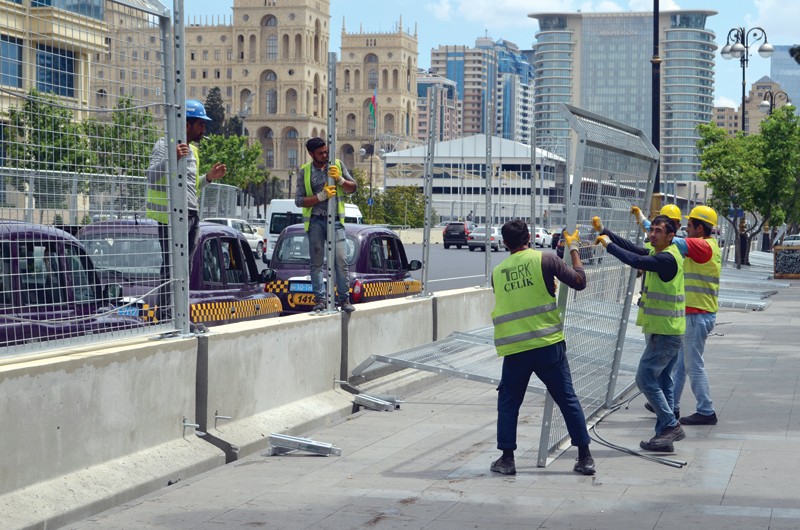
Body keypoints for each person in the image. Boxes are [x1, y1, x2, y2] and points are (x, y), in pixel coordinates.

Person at [490, 220, 595, 476]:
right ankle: (585, 457)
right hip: (548, 346)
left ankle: (507, 459)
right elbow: (579, 281)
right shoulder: (545, 260)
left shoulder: (497, 272)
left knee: (509, 403)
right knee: (567, 399)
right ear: (530, 237)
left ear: (504, 243)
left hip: (515, 349)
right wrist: (573, 249)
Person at [594, 215, 686, 452]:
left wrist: (607, 245)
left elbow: (634, 259)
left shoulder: (667, 259)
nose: (652, 234)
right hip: (667, 329)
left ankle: (670, 424)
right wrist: (606, 231)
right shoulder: (660, 253)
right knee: (664, 382)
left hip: (666, 333)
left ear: (671, 236)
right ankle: (662, 437)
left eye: (658, 231)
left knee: (644, 379)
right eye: (652, 229)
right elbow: (634, 248)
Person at [146, 99, 226, 318]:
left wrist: (209, 177)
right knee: (172, 266)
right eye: (200, 124)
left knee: (185, 269)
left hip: (191, 214)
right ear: (187, 124)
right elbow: (152, 178)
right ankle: (165, 316)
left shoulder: (194, 151)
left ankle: (179, 316)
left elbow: (191, 185)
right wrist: (172, 157)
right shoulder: (165, 145)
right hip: (170, 215)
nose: (204, 129)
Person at [297, 137, 358, 313]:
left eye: (326, 152)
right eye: (320, 153)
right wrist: (320, 197)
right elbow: (299, 201)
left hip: (336, 221)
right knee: (316, 263)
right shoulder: (305, 171)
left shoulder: (336, 165)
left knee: (341, 260)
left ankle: (344, 299)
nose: (325, 155)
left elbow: (353, 187)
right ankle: (320, 300)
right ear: (311, 154)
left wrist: (339, 180)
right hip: (316, 221)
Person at [673, 205, 720, 425]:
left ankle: (706, 410)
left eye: (689, 226)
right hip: (697, 314)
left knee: (693, 365)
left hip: (696, 315)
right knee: (681, 365)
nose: (686, 229)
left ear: (700, 228)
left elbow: (670, 240)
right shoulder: (708, 244)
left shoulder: (701, 246)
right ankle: (670, 406)